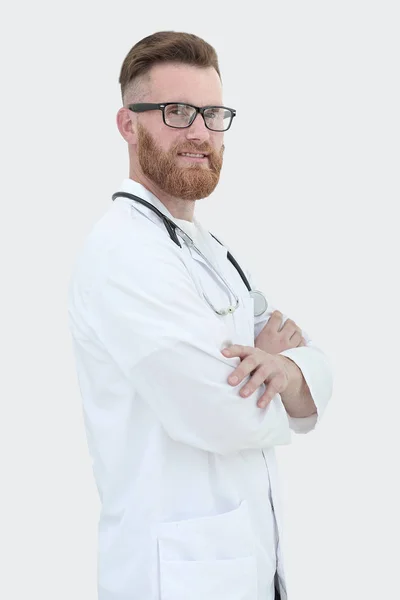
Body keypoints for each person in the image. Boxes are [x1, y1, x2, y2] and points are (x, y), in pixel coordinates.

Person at [68, 30, 333, 600]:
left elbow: (311, 368)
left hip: (246, 568)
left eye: (212, 114)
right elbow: (221, 413)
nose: (199, 132)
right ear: (127, 125)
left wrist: (284, 369)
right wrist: (283, 374)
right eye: (177, 111)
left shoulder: (210, 251)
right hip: (173, 578)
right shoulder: (123, 254)